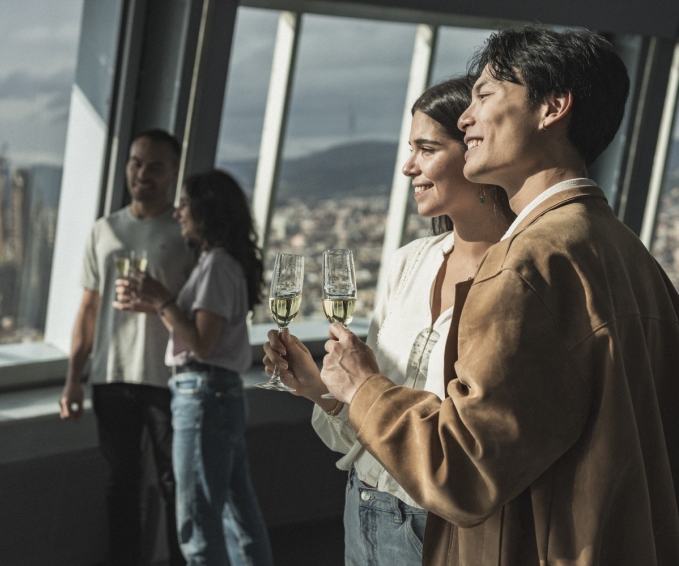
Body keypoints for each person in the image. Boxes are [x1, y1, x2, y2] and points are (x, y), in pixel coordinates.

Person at [318, 26, 679, 565]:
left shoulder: (526, 264)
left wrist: (363, 386)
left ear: (553, 107)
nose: (466, 118)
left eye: (485, 95)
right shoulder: (632, 257)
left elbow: (462, 471)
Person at [262, 77, 514, 565]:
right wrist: (319, 388)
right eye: (410, 149)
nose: (408, 167)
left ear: (476, 151)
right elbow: (367, 420)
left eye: (426, 148)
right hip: (364, 507)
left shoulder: (515, 278)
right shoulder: (407, 264)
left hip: (442, 530)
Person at [118, 169, 274, 566]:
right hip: (221, 396)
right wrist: (158, 304)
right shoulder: (220, 263)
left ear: (206, 211)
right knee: (239, 520)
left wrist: (162, 300)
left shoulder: (217, 266)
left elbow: (203, 343)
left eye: (184, 204)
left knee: (198, 527)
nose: (178, 213)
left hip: (203, 397)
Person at [59, 129, 192, 566]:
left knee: (177, 485)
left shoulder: (185, 232)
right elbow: (89, 310)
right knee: (121, 484)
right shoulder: (106, 230)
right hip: (112, 378)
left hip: (167, 378)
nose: (142, 173)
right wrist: (72, 381)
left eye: (155, 166)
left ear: (173, 172)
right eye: (136, 162)